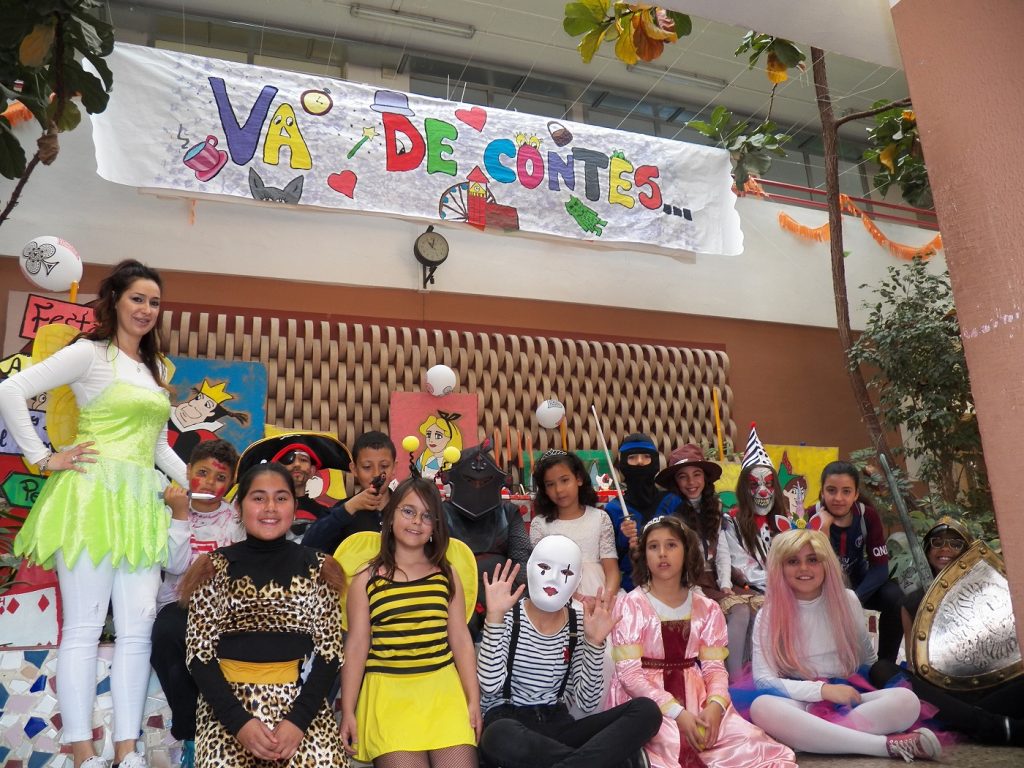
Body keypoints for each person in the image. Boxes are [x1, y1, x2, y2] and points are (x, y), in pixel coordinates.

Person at [0, 259, 187, 768]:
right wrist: (43, 458)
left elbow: (158, 448)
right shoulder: (89, 353)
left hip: (141, 505)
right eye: (137, 299)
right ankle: (82, 749)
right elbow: (10, 389)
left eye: (154, 302)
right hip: (90, 500)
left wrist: (203, 489)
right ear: (115, 301)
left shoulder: (154, 369)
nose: (146, 309)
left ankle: (127, 748)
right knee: (83, 628)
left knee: (138, 631)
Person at [179, 462, 346, 767]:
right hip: (228, 712)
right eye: (258, 498)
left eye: (281, 498)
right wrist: (239, 722)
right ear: (239, 507)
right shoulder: (211, 569)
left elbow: (330, 652)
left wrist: (297, 722)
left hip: (302, 712)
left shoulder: (321, 568)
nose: (270, 507)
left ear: (295, 506)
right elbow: (198, 655)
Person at [607, 516, 797, 768]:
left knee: (753, 745)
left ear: (687, 551)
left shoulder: (707, 608)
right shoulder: (631, 605)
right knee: (671, 746)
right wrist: (677, 712)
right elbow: (629, 676)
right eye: (653, 546)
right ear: (644, 555)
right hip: (647, 703)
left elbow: (714, 669)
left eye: (671, 545)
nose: (662, 553)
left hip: (697, 697)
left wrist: (715, 705)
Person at [749, 529, 941, 762]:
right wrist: (822, 691)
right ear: (779, 568)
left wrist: (871, 689)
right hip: (799, 700)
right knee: (762, 707)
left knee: (906, 700)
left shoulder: (847, 600)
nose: (803, 568)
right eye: (792, 561)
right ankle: (885, 746)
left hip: (847, 694)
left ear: (827, 564)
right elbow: (764, 680)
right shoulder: (769, 614)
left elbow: (867, 657)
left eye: (813, 560)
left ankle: (810, 736)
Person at [477, 536, 663, 768]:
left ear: (577, 581)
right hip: (510, 723)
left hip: (558, 724)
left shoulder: (580, 623)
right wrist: (494, 620)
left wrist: (594, 643)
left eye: (566, 572)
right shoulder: (506, 615)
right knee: (498, 736)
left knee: (647, 711)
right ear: (530, 567)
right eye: (545, 567)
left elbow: (587, 702)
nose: (554, 578)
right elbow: (490, 686)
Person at [340, 477, 480, 768]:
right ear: (390, 516)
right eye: (408, 511)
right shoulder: (366, 580)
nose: (417, 521)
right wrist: (349, 710)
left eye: (427, 515)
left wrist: (473, 700)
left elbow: (461, 640)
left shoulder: (447, 574)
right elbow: (356, 647)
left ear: (435, 527)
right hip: (388, 697)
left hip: (444, 693)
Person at [868, 517, 1024, 746]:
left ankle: (984, 725)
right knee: (882, 669)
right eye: (937, 542)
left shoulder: (994, 589)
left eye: (955, 543)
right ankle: (998, 726)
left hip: (992, 691)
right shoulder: (912, 602)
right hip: (946, 696)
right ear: (927, 550)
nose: (945, 549)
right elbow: (918, 667)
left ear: (968, 552)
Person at [150, 438, 243, 768]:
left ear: (231, 482)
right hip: (177, 606)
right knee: (167, 637)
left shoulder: (236, 520)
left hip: (221, 608)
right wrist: (178, 514)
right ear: (187, 471)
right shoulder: (169, 510)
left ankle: (220, 734)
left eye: (220, 478)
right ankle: (191, 736)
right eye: (201, 473)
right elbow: (174, 566)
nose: (209, 483)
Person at [654, 443, 755, 680]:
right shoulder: (671, 510)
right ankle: (732, 678)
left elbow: (721, 551)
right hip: (687, 579)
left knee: (754, 608)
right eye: (683, 476)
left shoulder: (714, 506)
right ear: (675, 482)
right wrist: (693, 587)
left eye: (697, 474)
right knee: (739, 611)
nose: (691, 482)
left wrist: (726, 584)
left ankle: (749, 671)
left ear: (705, 478)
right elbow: (674, 555)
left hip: (714, 578)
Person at [809, 461, 905, 663]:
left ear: (855, 494)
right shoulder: (810, 516)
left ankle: (885, 664)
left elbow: (880, 568)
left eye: (846, 491)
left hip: (859, 585)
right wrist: (822, 530)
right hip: (821, 586)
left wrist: (854, 599)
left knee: (894, 596)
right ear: (822, 492)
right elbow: (809, 565)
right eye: (831, 490)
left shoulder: (867, 516)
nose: (838, 498)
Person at [442, 442, 531, 637]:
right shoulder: (441, 514)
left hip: (503, 596)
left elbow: (521, 559)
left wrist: (516, 598)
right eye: (469, 480)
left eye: (484, 482)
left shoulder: (509, 513)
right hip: (454, 596)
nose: (477, 487)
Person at [529, 450, 619, 598]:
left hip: (599, 594)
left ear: (579, 479)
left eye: (564, 480)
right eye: (550, 484)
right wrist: (576, 599)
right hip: (557, 597)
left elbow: (612, 570)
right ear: (544, 490)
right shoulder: (540, 525)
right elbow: (540, 573)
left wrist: (606, 599)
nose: (559, 490)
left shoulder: (600, 518)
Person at [235, 431, 352, 541]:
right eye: (288, 459)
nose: (297, 464)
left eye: (303, 460)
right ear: (275, 470)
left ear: (312, 471)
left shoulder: (325, 515)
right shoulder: (260, 511)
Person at [303, 431, 396, 553]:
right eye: (367, 467)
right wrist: (348, 509)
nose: (376, 474)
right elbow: (308, 545)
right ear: (354, 469)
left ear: (394, 467)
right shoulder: (343, 509)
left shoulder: (406, 507)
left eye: (384, 466)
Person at [602, 433, 668, 592]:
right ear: (623, 463)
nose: (639, 462)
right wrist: (623, 540)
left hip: (670, 584)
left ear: (655, 461)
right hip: (630, 588)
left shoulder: (672, 501)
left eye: (646, 457)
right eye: (632, 457)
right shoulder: (613, 509)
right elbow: (608, 558)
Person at [416, 411, 464, 479]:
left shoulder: (454, 461)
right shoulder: (424, 456)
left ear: (450, 438)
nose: (431, 440)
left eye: (438, 436)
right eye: (428, 435)